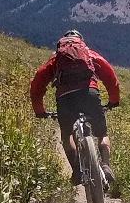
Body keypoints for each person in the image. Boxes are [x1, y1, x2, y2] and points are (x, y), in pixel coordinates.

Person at [29, 30, 121, 191]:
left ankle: (77, 170)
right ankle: (106, 166)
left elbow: (37, 85)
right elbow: (110, 77)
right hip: (89, 93)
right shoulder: (90, 55)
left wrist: (40, 111)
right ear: (81, 42)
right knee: (102, 134)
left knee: (66, 137)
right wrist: (114, 101)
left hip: (65, 99)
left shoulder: (56, 60)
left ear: (61, 45)